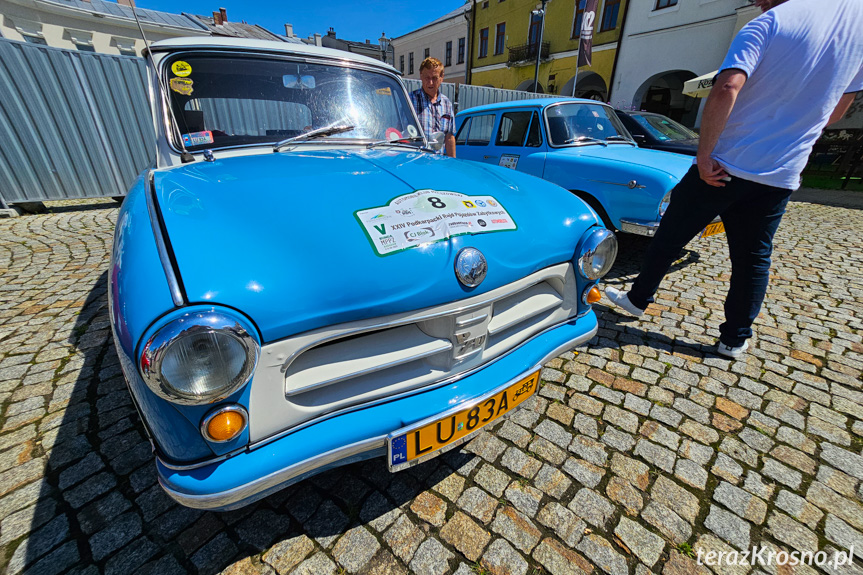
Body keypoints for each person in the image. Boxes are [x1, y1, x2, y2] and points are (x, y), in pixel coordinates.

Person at [605, 0, 863, 359]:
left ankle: (637, 299)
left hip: (727, 162)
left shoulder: (769, 23)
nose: (755, 3)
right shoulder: (857, 30)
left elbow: (728, 86)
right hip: (780, 172)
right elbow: (836, 110)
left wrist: (705, 153)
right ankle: (734, 339)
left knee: (671, 232)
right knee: (753, 258)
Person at [409, 57, 456, 157]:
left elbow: (449, 137)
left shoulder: (447, 104)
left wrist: (452, 164)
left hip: (438, 163)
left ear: (441, 78)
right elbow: (400, 132)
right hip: (416, 162)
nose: (430, 82)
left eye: (434, 78)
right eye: (427, 77)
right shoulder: (410, 100)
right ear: (421, 76)